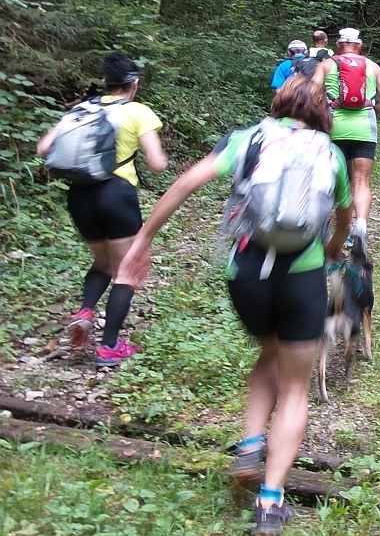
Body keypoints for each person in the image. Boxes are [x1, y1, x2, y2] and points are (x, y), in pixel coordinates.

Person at [116, 75, 353, 535]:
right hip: (301, 278)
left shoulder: (248, 138)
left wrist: (142, 241)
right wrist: (331, 251)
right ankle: (270, 502)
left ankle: (249, 447)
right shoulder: (331, 152)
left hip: (246, 276)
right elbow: (343, 219)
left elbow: (186, 182)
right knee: (295, 390)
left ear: (279, 102)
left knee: (268, 351)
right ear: (322, 112)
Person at [35, 51, 168, 366]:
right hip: (116, 194)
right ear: (134, 83)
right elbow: (157, 164)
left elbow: (43, 148)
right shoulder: (138, 112)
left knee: (102, 263)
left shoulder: (81, 109)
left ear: (106, 82)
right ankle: (109, 347)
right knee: (127, 270)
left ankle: (84, 312)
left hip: (79, 195)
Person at [312, 27, 380, 251]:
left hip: (334, 129)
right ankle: (360, 226)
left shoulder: (327, 65)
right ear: (359, 46)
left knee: (334, 183)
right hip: (364, 130)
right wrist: (372, 110)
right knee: (361, 182)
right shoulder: (372, 67)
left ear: (338, 46)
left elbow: (309, 95)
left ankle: (335, 229)